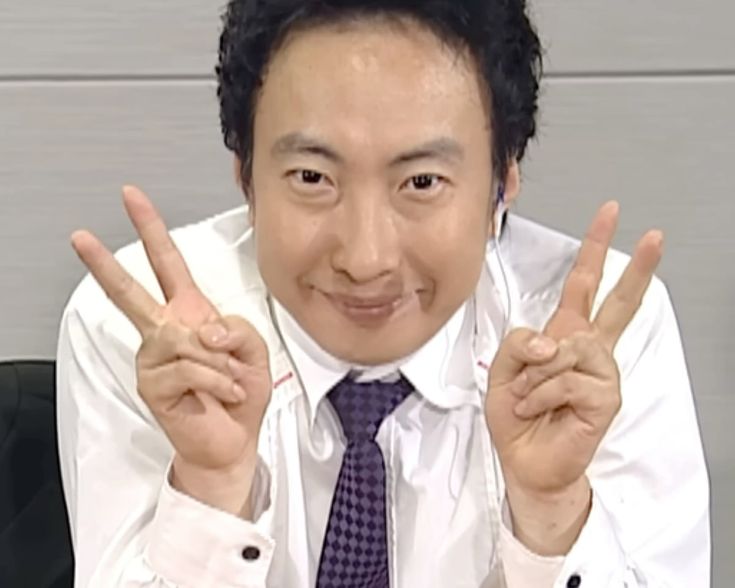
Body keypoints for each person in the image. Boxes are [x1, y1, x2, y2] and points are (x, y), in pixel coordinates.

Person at [55, 1, 710, 586]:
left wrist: (551, 514)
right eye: (312, 177)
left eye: (421, 183)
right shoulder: (152, 335)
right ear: (245, 176)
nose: (364, 259)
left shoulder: (594, 344)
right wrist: (211, 490)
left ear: (503, 183)